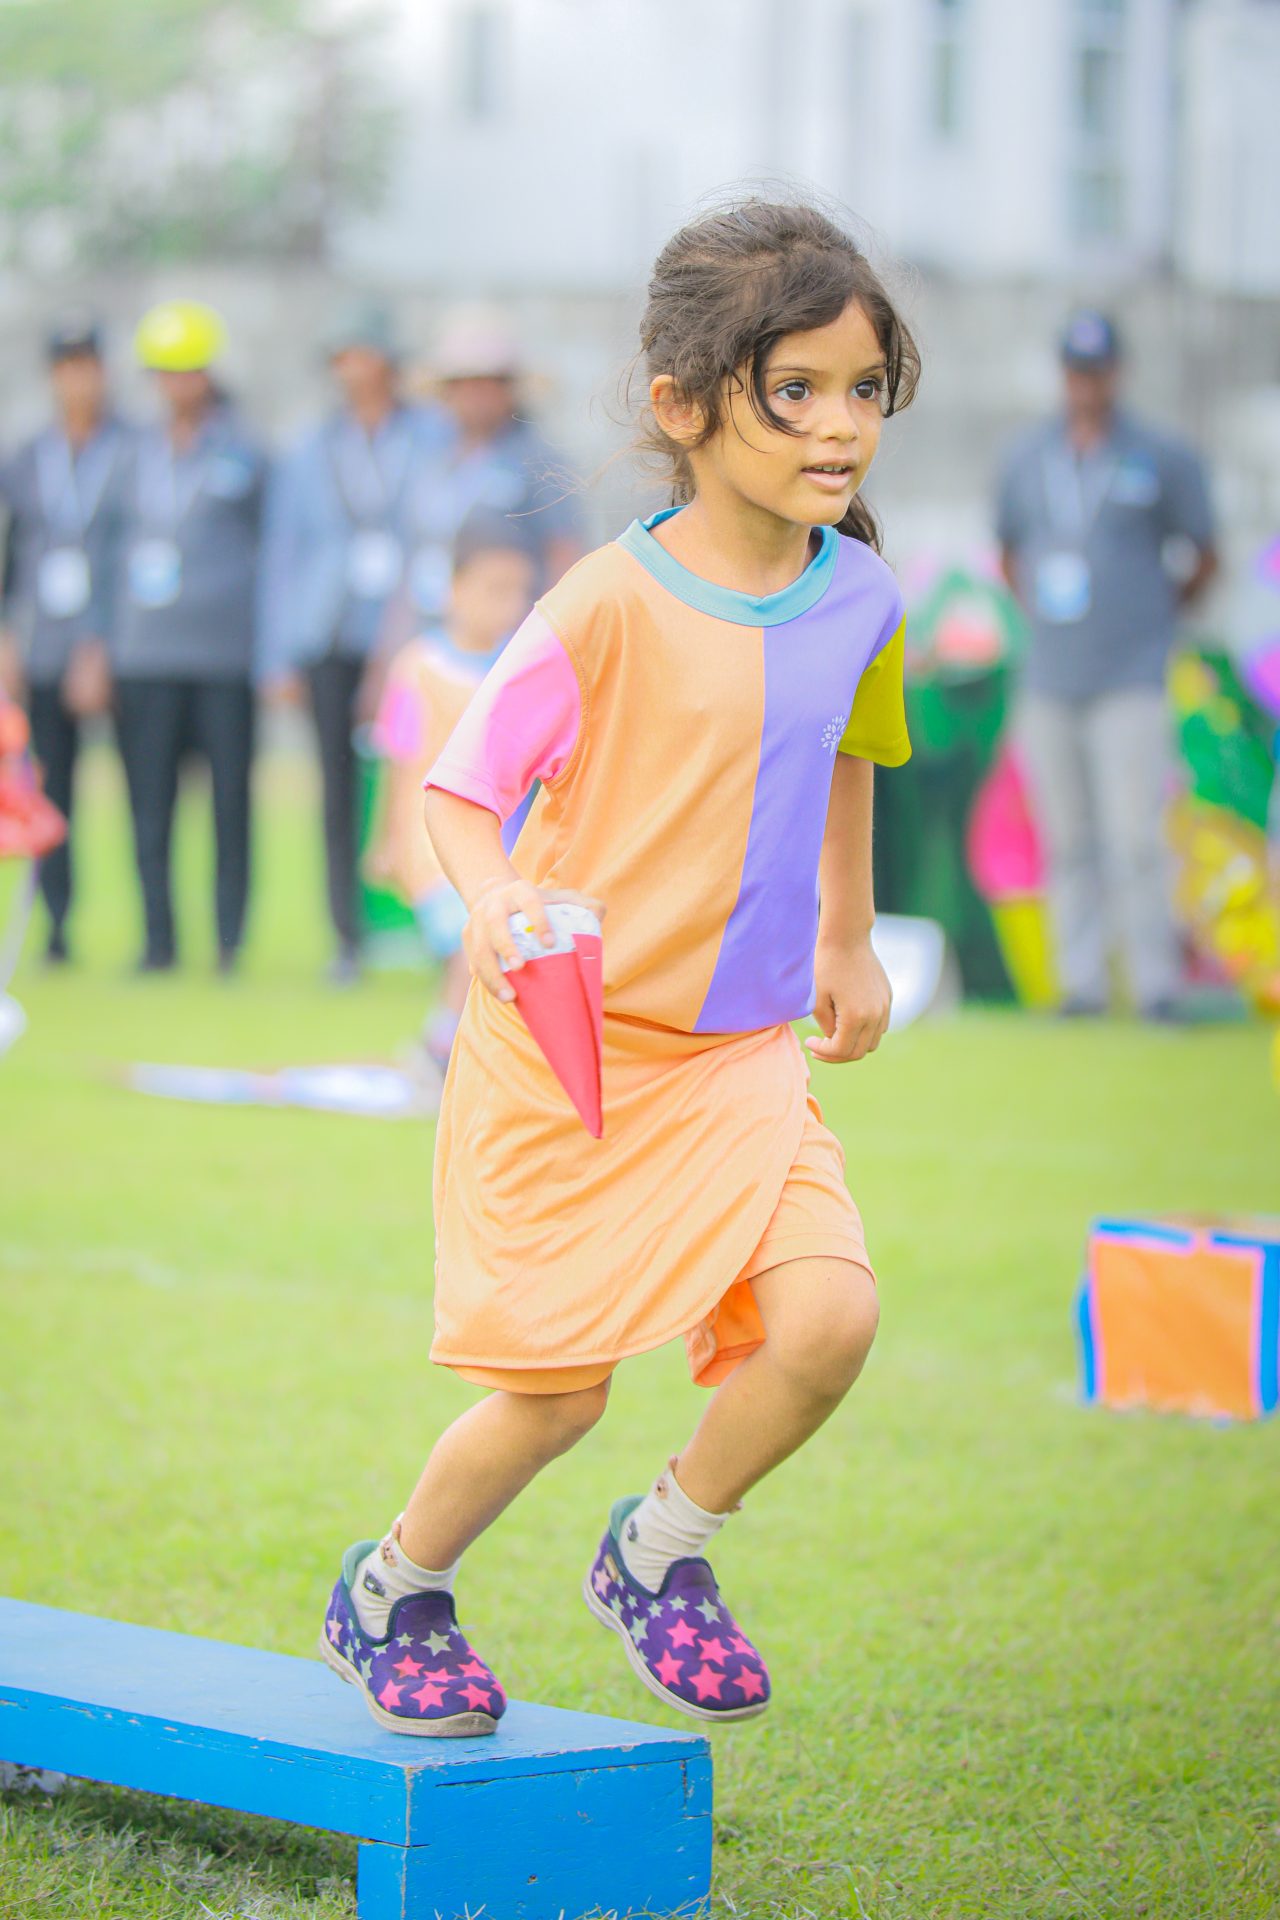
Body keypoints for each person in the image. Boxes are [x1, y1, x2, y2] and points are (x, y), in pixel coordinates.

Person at [320, 197, 919, 1735]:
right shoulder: (600, 603)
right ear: (683, 404)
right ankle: (390, 1588)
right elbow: (459, 788)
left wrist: (846, 936)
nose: (838, 426)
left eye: (864, 389)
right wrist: (500, 895)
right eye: (796, 391)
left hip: (742, 1059)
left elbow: (852, 750)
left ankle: (661, 1551)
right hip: (577, 1053)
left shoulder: (862, 595)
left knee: (830, 1323)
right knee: (558, 1395)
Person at [997, 311, 1219, 1018]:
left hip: (1130, 671)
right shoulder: (1028, 457)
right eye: (1074, 371)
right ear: (1061, 375)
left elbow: (1204, 552)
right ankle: (1081, 985)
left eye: (1095, 372)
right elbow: (1010, 555)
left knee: (1136, 835)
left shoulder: (1158, 455)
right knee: (1068, 838)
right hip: (1053, 674)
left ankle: (1156, 985)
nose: (1084, 385)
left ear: (1115, 374)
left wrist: (1155, 617)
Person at [258, 302, 451, 984]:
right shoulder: (311, 447)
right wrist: (276, 653)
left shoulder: (431, 435)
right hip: (328, 630)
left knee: (428, 779)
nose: (353, 370)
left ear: (387, 362)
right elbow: (283, 550)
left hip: (411, 634)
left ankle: (438, 925)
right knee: (336, 791)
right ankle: (347, 937)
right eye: (341, 359)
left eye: (362, 355)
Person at [113, 300, 266, 974]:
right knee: (149, 805)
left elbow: (275, 553)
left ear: (207, 373)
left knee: (231, 802)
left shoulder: (248, 451)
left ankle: (228, 942)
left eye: (188, 370)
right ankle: (158, 943)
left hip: (223, 658)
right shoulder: (130, 452)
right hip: (145, 655)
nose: (177, 384)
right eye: (164, 371)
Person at [365, 509, 540, 1075]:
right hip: (431, 841)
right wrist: (387, 841)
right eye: (493, 589)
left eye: (517, 591)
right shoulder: (418, 667)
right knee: (475, 939)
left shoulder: (521, 667)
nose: (506, 605)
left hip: (503, 841)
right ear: (454, 588)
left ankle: (464, 1052)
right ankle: (440, 1048)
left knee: (492, 944)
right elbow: (397, 760)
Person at [0, 315, 130, 962]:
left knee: (146, 788)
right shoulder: (28, 457)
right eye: (65, 366)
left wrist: (102, 644)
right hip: (44, 644)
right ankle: (56, 924)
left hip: (117, 645)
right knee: (48, 788)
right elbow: (13, 553)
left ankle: (156, 932)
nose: (77, 379)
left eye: (87, 363)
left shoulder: (132, 448)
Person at [396, 303, 583, 631]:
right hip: (432, 633)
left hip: (505, 637)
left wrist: (545, 637)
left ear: (509, 390)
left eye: (490, 382)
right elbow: (411, 559)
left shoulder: (540, 461)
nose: (477, 394)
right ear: (447, 391)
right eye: (465, 383)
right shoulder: (429, 459)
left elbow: (564, 555)